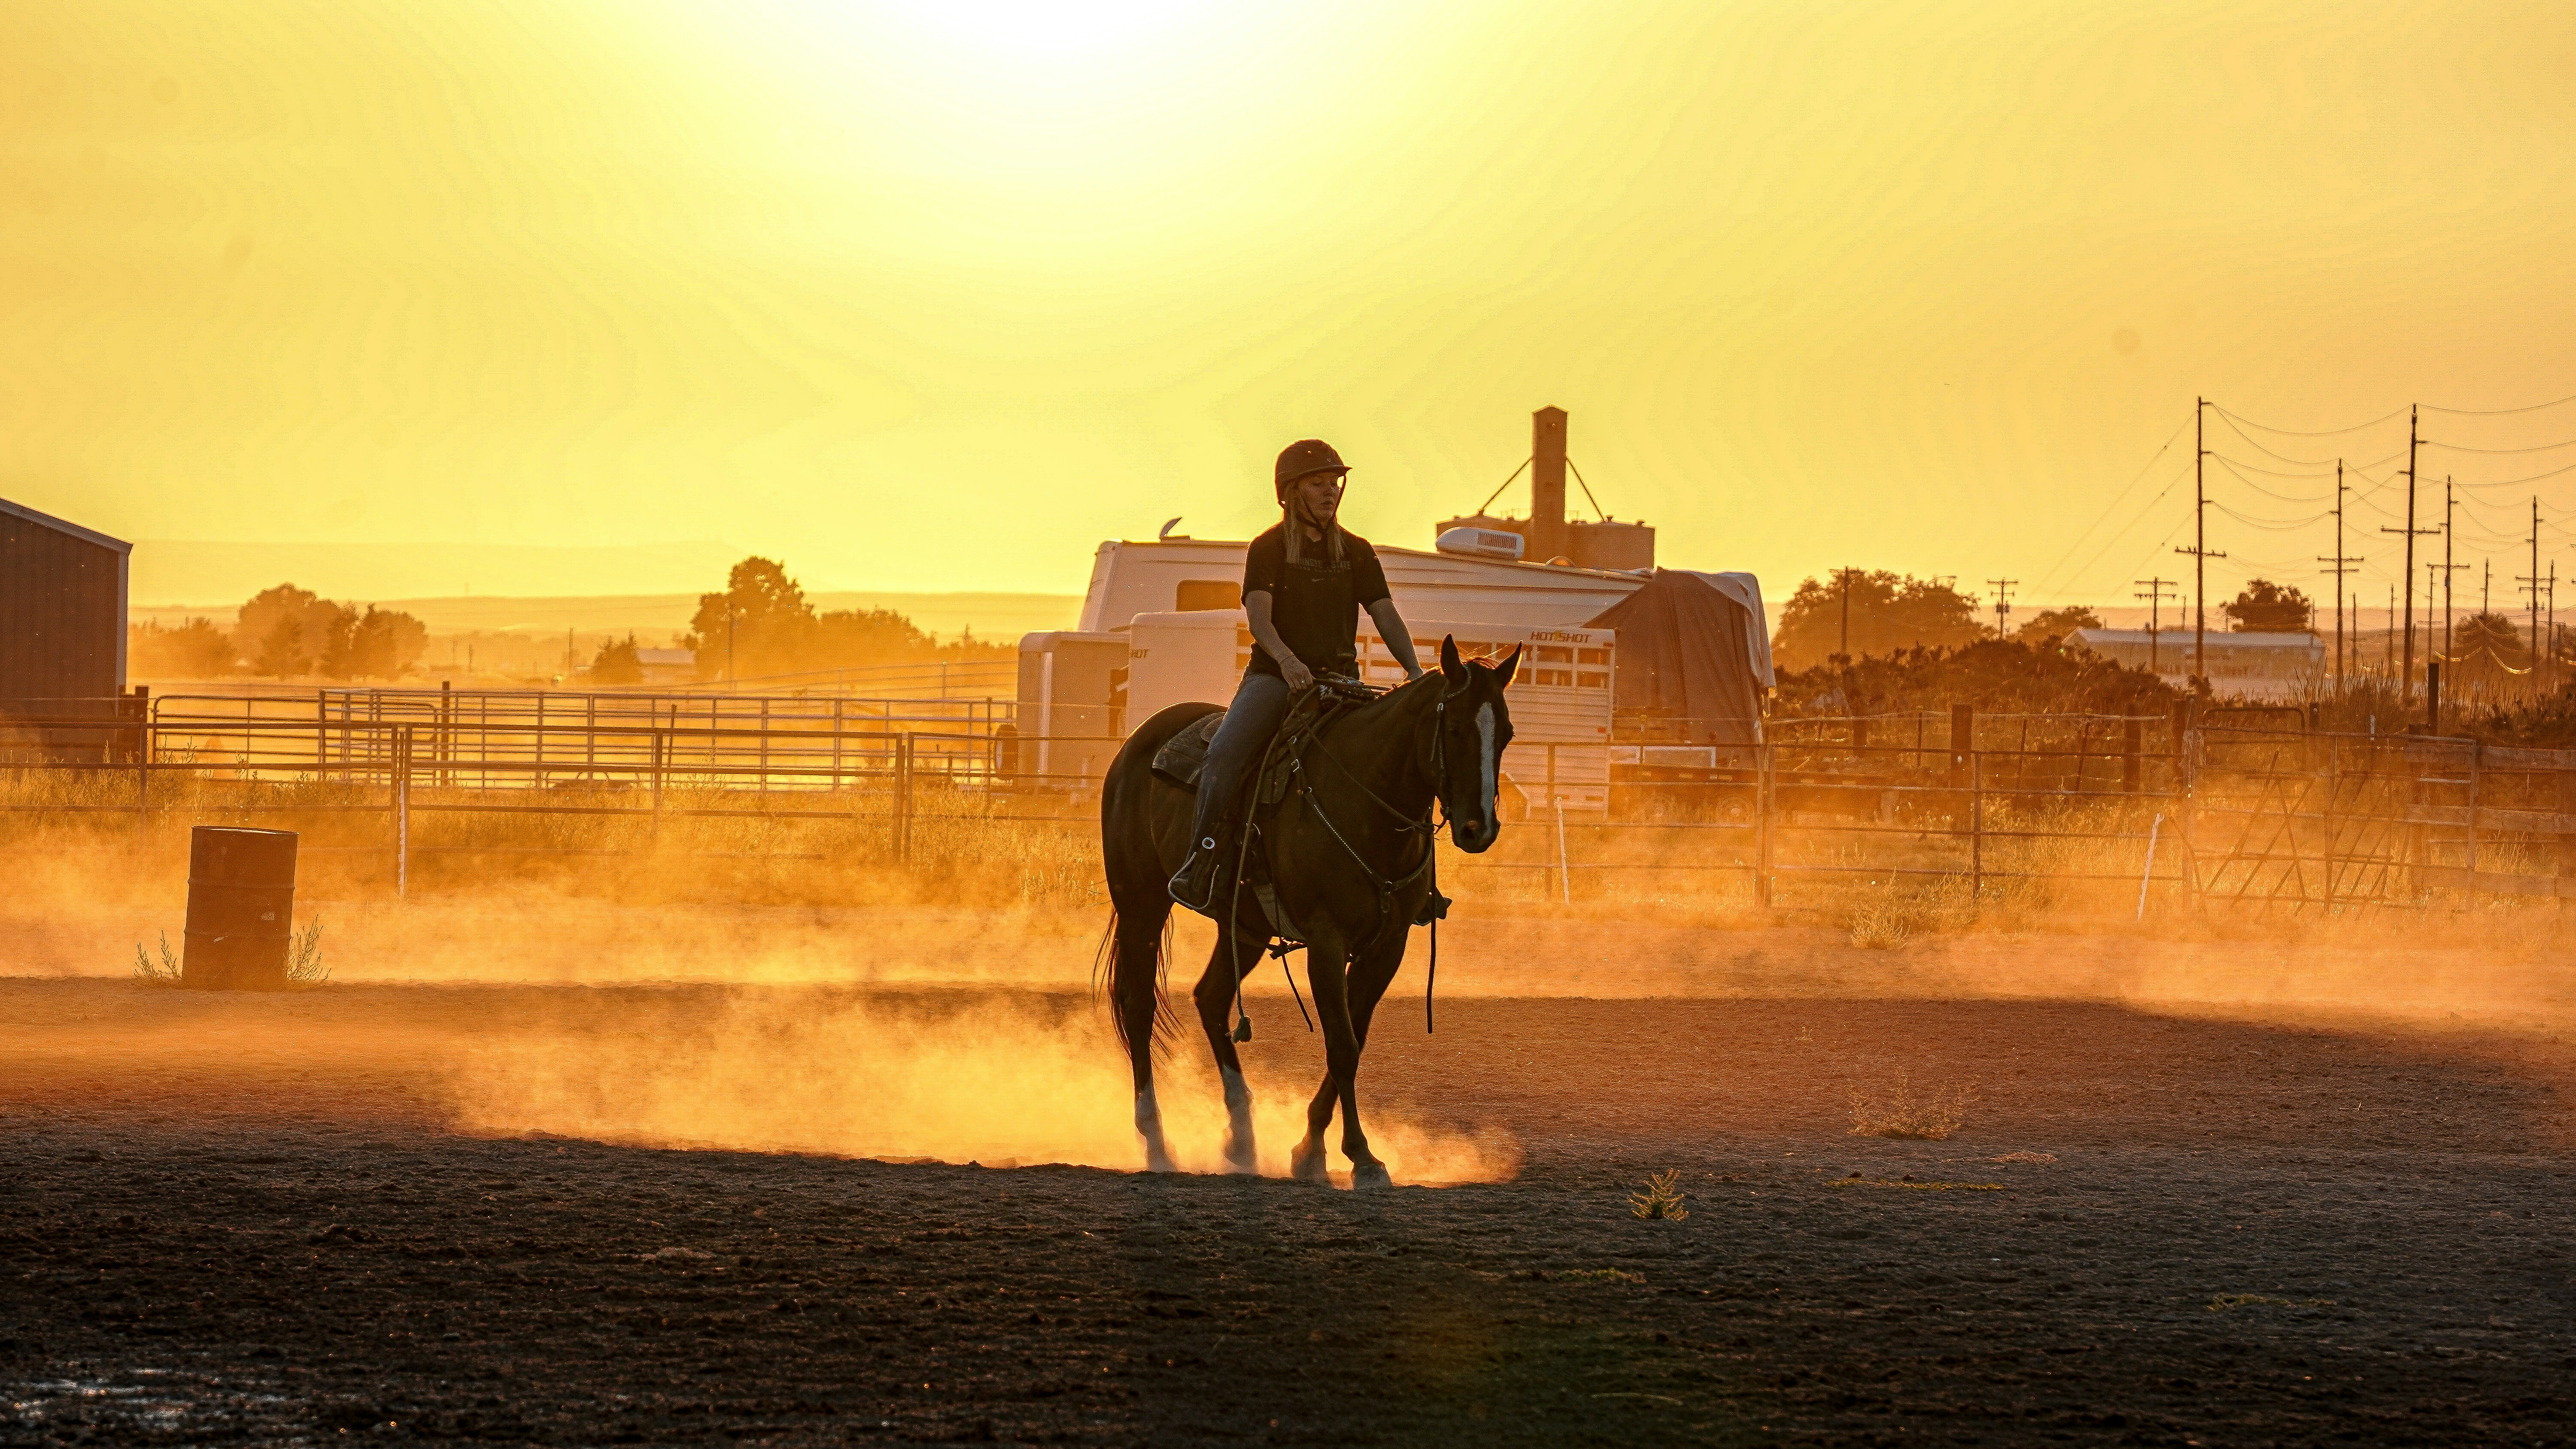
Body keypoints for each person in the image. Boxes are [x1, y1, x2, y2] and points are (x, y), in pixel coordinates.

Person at [1169, 438, 1426, 912]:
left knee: (1403, 759)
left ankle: (1418, 881)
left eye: (1335, 483)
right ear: (1290, 492)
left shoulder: (1357, 551)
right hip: (1275, 678)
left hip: (1342, 682)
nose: (1330, 492)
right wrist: (1288, 662)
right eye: (1318, 484)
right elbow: (1260, 619)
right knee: (1226, 751)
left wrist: (1415, 671)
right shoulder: (1267, 549)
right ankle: (1201, 860)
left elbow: (1386, 614)